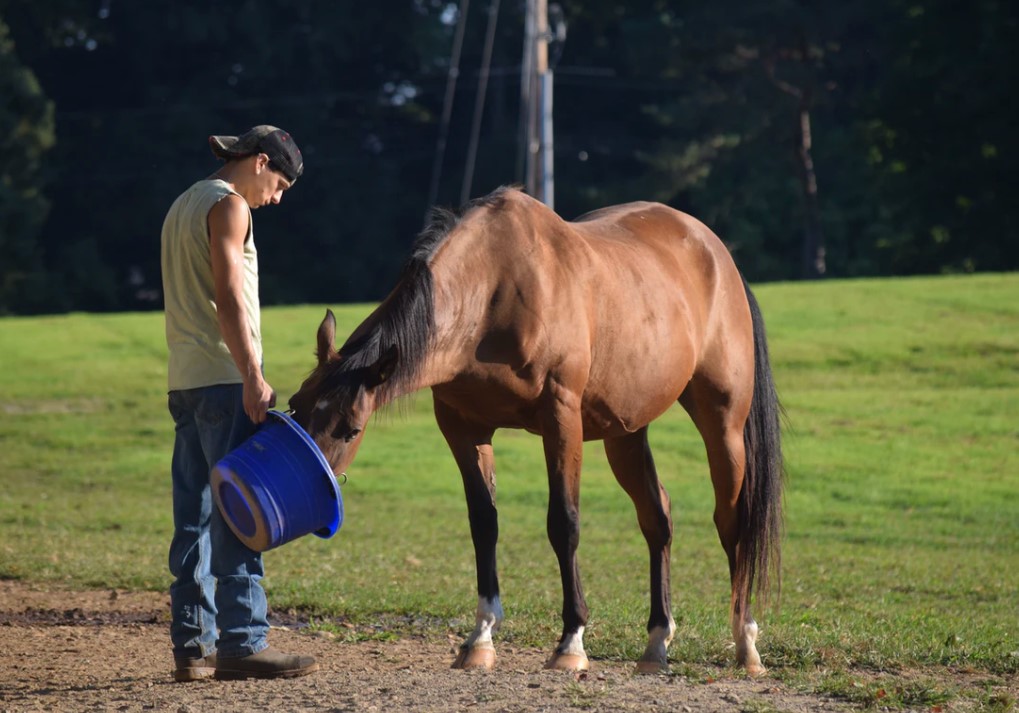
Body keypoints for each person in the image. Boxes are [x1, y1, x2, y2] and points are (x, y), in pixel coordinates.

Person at [160, 125, 317, 682]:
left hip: (185, 380)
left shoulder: (183, 202)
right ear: (258, 162)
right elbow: (228, 294)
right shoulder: (229, 207)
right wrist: (253, 375)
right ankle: (243, 642)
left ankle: (190, 648)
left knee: (194, 518)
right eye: (278, 184)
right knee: (237, 513)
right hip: (226, 380)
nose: (274, 198)